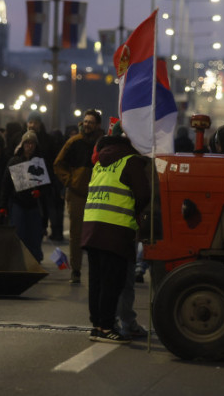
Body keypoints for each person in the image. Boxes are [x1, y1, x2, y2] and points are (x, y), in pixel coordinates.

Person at [83, 132, 150, 344]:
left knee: (97, 281)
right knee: (113, 282)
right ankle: (107, 327)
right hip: (116, 230)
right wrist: (135, 212)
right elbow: (143, 194)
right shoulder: (131, 162)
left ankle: (97, 325)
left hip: (92, 227)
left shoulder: (99, 164)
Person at [54, 109, 104, 284]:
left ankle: (96, 272)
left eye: (91, 122)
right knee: (76, 234)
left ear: (97, 125)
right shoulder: (74, 142)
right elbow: (58, 164)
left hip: (98, 195)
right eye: (85, 121)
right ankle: (76, 270)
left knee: (96, 235)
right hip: (77, 195)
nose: (87, 124)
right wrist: (70, 181)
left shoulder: (102, 143)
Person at [0, 130, 51, 262]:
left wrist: (40, 192)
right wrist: (3, 206)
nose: (30, 146)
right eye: (27, 143)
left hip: (34, 205)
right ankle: (18, 261)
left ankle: (34, 261)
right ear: (22, 144)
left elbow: (47, 186)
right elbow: (6, 185)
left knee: (34, 235)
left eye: (32, 143)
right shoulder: (15, 161)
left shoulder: (39, 162)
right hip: (18, 203)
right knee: (19, 234)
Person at [26, 112, 62, 241]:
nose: (32, 125)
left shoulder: (48, 140)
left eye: (35, 122)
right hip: (26, 179)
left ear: (40, 124)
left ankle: (42, 229)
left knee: (44, 207)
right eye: (30, 122)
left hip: (44, 179)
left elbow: (54, 159)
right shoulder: (21, 138)